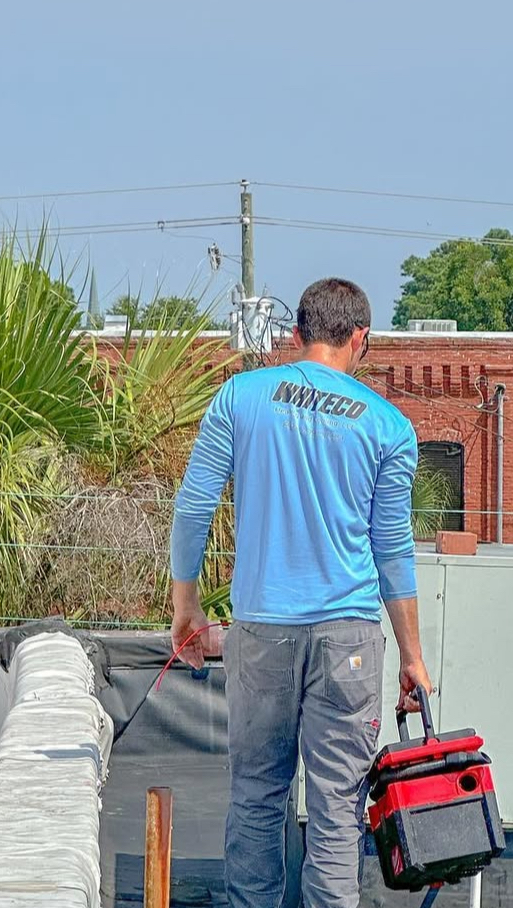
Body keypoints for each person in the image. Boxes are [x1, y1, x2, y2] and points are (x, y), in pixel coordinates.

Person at [170, 277, 432, 908]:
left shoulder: (241, 395)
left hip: (261, 632)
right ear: (360, 339)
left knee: (258, 794)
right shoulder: (389, 426)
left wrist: (187, 607)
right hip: (350, 639)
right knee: (338, 809)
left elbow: (193, 507)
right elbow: (391, 550)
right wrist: (414, 657)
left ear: (297, 335)